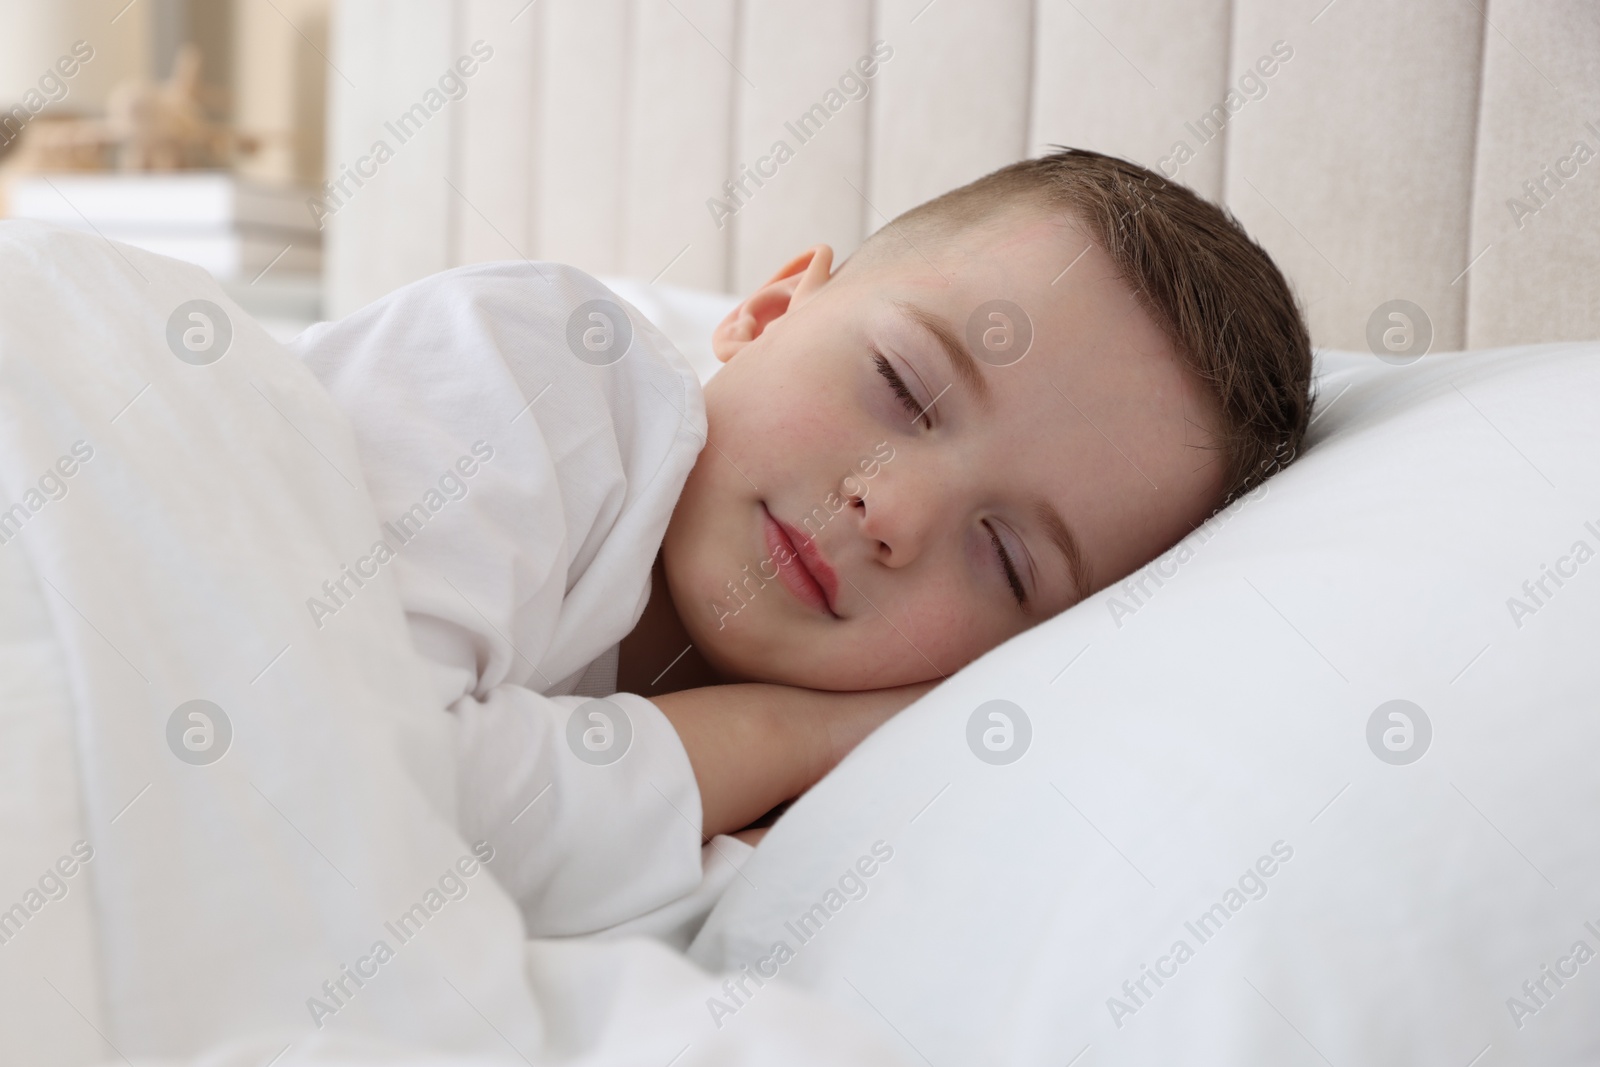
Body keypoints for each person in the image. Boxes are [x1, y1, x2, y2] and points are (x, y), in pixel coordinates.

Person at [295, 147, 1311, 946]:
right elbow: (348, 796)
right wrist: (796, 732)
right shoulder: (532, 363)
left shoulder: (807, 843)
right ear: (770, 311)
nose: (892, 511)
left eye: (1004, 556)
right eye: (906, 386)